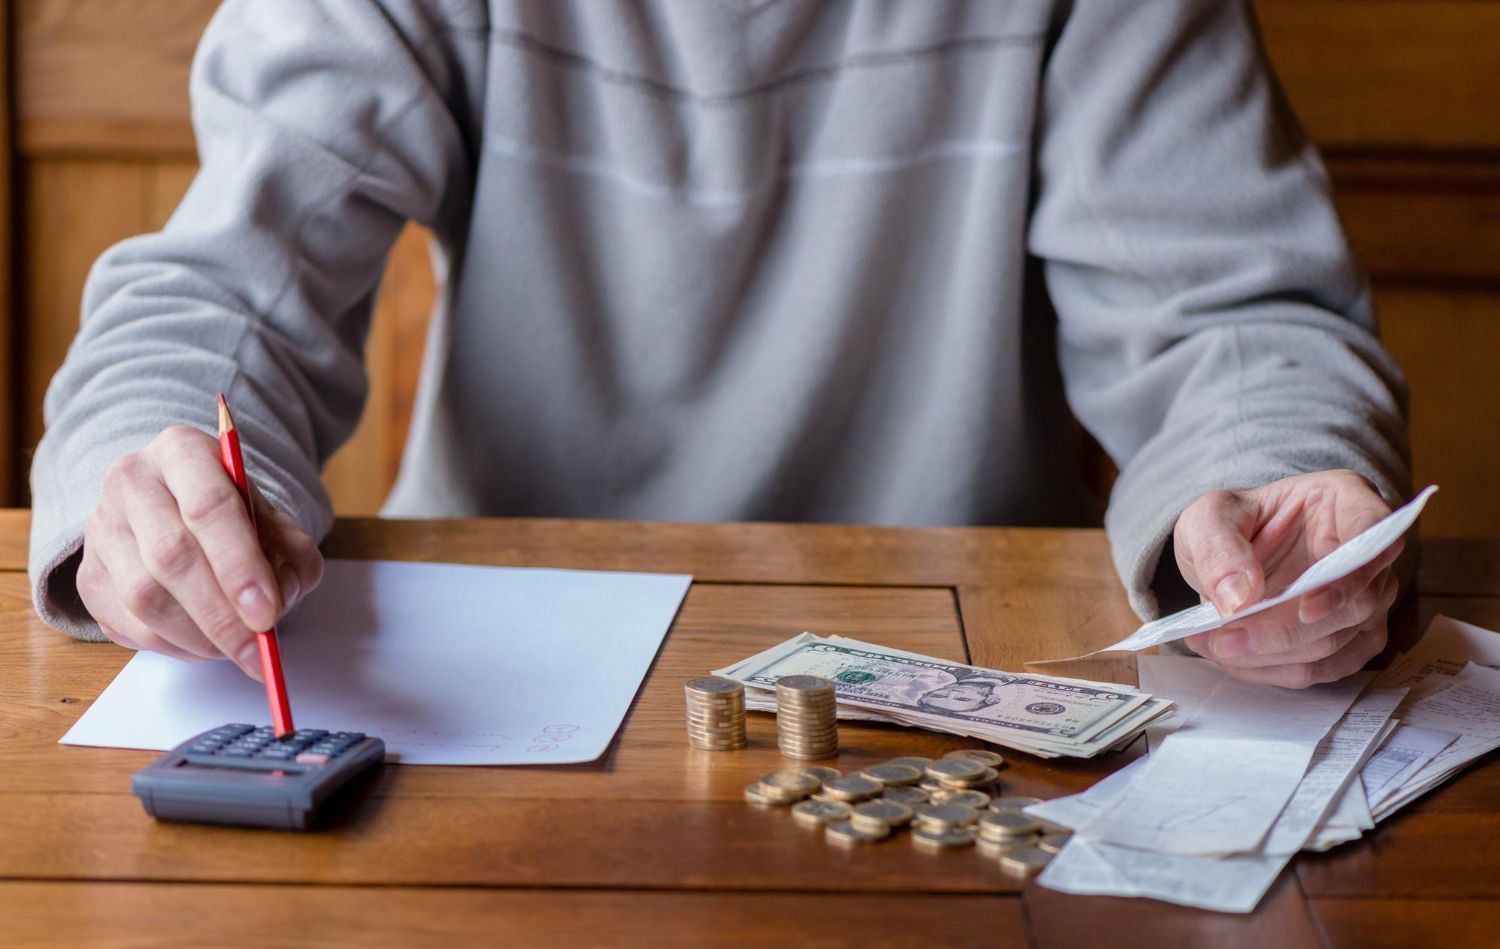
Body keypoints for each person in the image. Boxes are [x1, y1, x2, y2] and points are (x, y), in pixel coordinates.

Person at [27, 1, 1411, 690]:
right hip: (489, 688)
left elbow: (1236, 319)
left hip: (975, 680)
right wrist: (145, 486)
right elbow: (220, 293)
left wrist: (1273, 500)